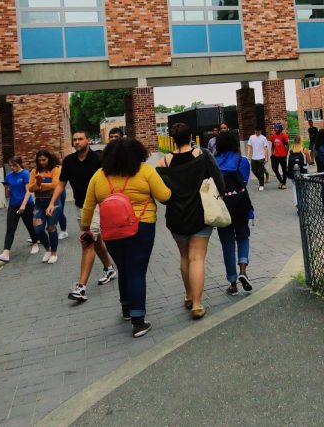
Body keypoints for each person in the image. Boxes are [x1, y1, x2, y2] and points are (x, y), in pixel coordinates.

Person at [84, 137, 170, 338]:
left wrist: (85, 229)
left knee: (123, 268)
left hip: (112, 230)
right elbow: (165, 196)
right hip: (142, 226)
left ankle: (126, 308)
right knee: (137, 272)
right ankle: (138, 321)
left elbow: (88, 206)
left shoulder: (99, 176)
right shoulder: (145, 171)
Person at [159, 123, 225, 321]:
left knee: (184, 257)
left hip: (176, 217)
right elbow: (218, 180)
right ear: (191, 138)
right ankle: (197, 304)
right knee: (197, 258)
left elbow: (163, 196)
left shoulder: (163, 163)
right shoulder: (203, 156)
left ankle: (188, 296)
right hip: (200, 215)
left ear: (172, 138)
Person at [47, 131, 117, 304]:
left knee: (87, 243)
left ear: (88, 140)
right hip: (81, 208)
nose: (77, 142)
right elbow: (61, 184)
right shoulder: (69, 161)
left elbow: (112, 179)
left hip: (97, 207)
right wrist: (51, 202)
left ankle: (81, 287)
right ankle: (109, 268)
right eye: (75, 140)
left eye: (80, 139)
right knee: (96, 241)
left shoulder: (98, 159)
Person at [214, 130, 253, 296]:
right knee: (243, 237)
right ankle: (243, 269)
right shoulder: (242, 161)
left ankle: (232, 283)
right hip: (241, 204)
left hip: (223, 207)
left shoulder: (213, 162)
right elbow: (244, 181)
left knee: (227, 244)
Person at [0, 156, 39, 263]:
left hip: (27, 205)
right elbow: (9, 193)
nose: (12, 168)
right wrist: (7, 189)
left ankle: (35, 243)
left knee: (30, 226)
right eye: (10, 166)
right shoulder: (9, 176)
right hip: (13, 205)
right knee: (10, 228)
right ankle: (5, 253)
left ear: (19, 164)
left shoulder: (25, 174)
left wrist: (23, 205)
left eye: (14, 165)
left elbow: (28, 191)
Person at [28, 150, 62, 264]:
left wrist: (39, 184)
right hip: (39, 203)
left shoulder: (55, 169)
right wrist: (37, 185)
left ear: (49, 159)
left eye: (44, 160)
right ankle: (47, 249)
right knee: (38, 229)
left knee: (51, 227)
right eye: (39, 160)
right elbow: (30, 189)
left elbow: (55, 185)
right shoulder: (34, 171)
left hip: (53, 202)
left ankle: (54, 252)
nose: (42, 162)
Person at [286, 134, 312, 210]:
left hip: (294, 173)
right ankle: (305, 203)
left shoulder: (291, 150)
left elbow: (288, 163)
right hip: (304, 172)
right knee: (305, 189)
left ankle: (297, 202)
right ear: (301, 141)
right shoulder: (304, 150)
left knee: (295, 187)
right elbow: (309, 162)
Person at [246, 127, 269, 191]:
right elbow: (249, 147)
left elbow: (266, 148)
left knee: (260, 171)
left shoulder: (263, 138)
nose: (257, 133)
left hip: (261, 157)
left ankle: (261, 185)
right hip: (254, 157)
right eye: (256, 131)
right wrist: (247, 156)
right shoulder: (251, 137)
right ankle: (261, 180)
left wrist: (266, 158)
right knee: (254, 170)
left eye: (258, 132)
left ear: (260, 131)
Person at [269, 122, 289, 189]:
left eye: (277, 128)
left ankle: (284, 183)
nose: (275, 129)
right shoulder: (273, 136)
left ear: (280, 128)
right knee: (274, 168)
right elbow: (272, 146)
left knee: (284, 170)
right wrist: (272, 153)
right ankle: (280, 181)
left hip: (283, 156)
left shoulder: (284, 136)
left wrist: (286, 154)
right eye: (275, 128)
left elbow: (287, 145)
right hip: (275, 156)